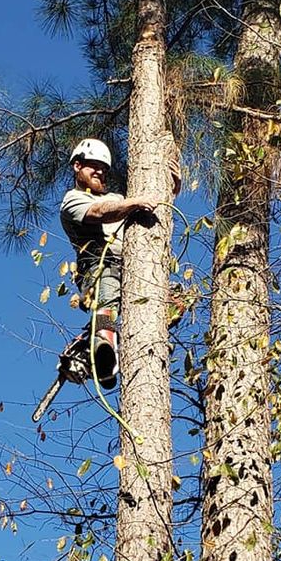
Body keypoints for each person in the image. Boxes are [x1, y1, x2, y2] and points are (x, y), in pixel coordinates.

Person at [59, 138, 180, 386]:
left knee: (176, 298)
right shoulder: (73, 200)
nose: (100, 172)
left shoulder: (117, 197)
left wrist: (172, 186)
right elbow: (99, 213)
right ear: (77, 166)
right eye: (94, 166)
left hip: (133, 269)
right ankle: (102, 345)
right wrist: (133, 202)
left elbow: (153, 206)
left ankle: (126, 343)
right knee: (107, 293)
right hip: (100, 267)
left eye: (104, 168)